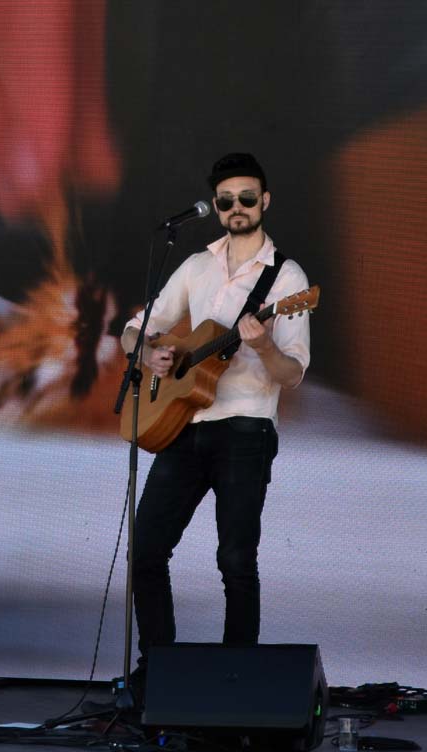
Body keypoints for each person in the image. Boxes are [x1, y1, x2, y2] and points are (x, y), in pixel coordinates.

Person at [120, 153, 310, 703]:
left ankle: (236, 683)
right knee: (146, 551)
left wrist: (263, 345)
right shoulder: (197, 265)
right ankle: (157, 672)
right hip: (182, 424)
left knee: (235, 560)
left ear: (264, 201)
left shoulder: (287, 278)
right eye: (226, 201)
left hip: (245, 430)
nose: (236, 208)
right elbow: (135, 329)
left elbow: (292, 374)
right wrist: (150, 354)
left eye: (247, 198)